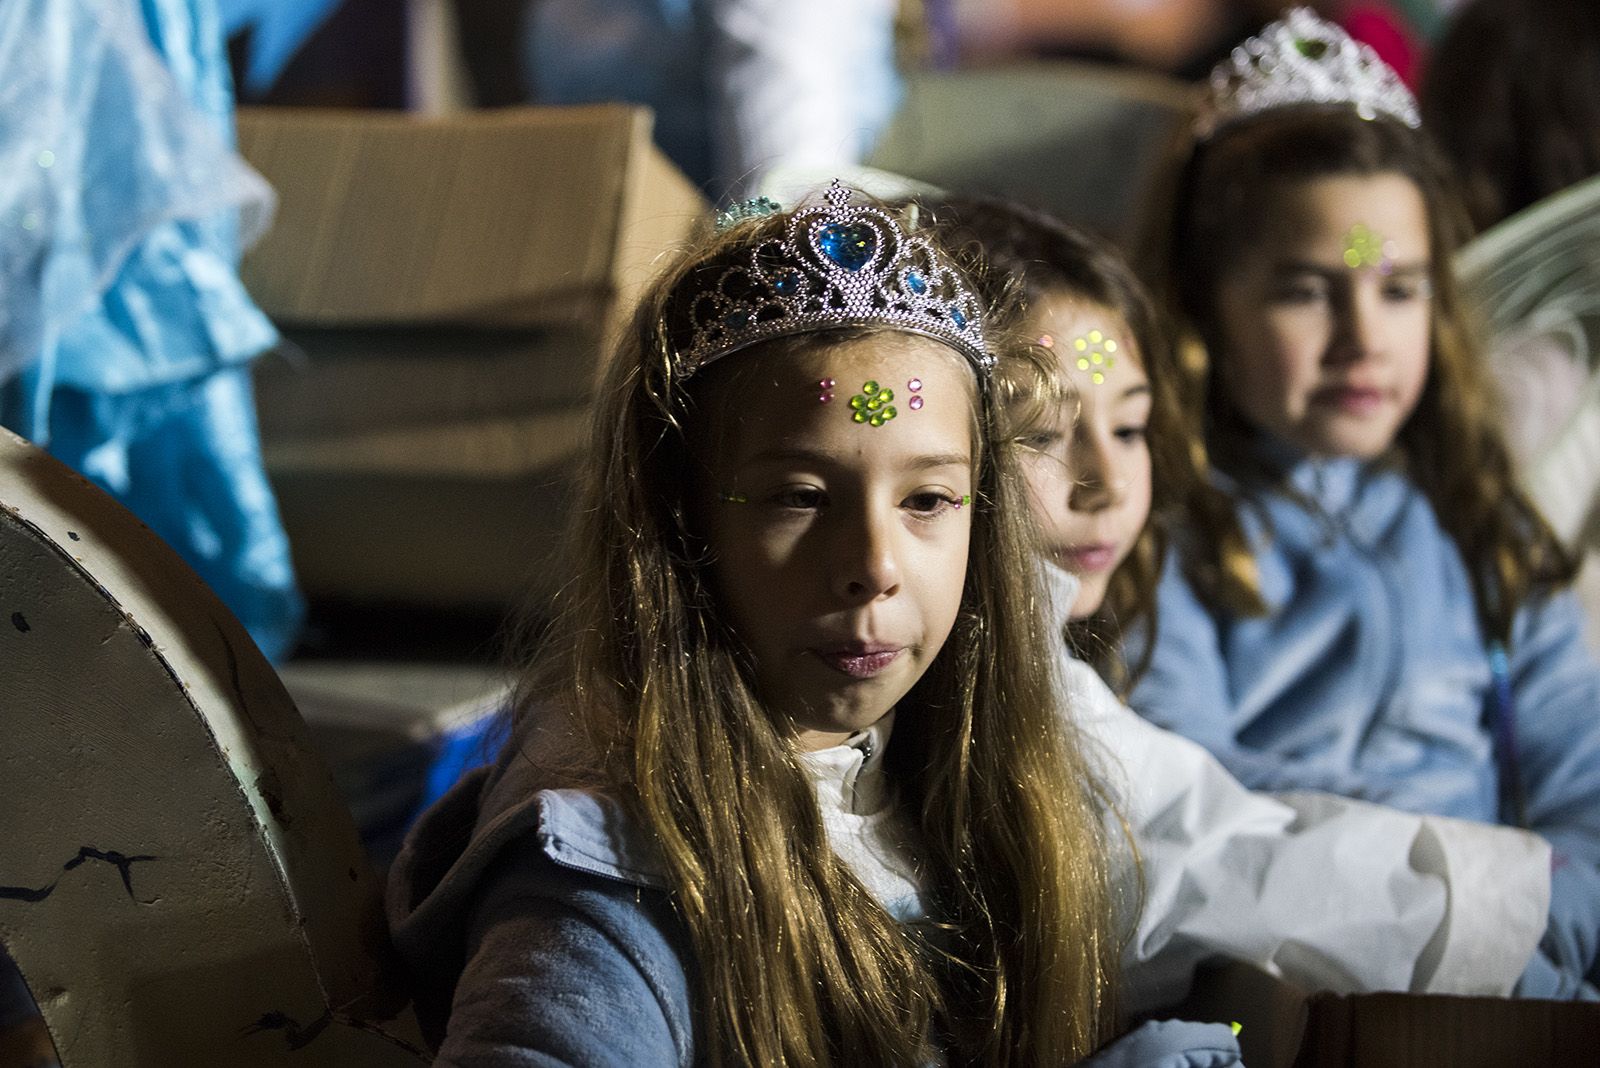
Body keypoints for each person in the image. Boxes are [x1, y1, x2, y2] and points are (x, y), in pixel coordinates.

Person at [386, 183, 1241, 1064]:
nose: (873, 564)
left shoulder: (966, 771)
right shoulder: (609, 881)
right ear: (680, 526)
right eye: (799, 498)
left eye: (927, 500)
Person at [931, 194, 1556, 1010]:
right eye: (1041, 435)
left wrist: (1547, 899)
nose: (1108, 482)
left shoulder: (1474, 516)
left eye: (1130, 429)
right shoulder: (1174, 566)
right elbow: (1211, 865)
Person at [1129, 8, 1600, 997]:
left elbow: (1584, 780)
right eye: (1306, 292)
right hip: (1274, 945)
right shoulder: (1164, 529)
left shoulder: (1482, 524)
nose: (1362, 338)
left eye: (1400, 289)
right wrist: (1433, 866)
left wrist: (1529, 921)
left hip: (1510, 948)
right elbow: (1178, 774)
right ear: (1206, 306)